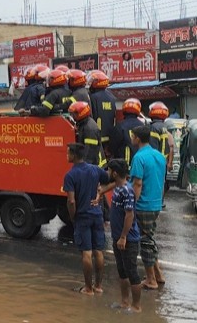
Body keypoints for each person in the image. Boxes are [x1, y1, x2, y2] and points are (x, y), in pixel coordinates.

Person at [63, 143, 110, 295]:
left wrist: (72, 217)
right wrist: (100, 194)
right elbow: (109, 179)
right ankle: (98, 286)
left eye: (68, 153)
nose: (66, 155)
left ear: (74, 156)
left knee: (86, 253)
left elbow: (71, 201)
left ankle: (88, 288)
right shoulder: (95, 169)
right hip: (97, 215)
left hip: (82, 216)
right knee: (99, 251)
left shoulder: (70, 175)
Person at [97, 159, 142, 312]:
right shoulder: (117, 187)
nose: (107, 173)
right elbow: (110, 186)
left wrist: (123, 236)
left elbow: (129, 215)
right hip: (118, 237)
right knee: (122, 271)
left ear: (115, 173)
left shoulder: (127, 191)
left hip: (128, 239)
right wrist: (101, 192)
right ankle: (124, 302)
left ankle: (136, 307)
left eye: (109, 171)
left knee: (132, 272)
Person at [129, 125, 167, 290]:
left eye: (133, 136)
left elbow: (137, 183)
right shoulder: (159, 156)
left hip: (143, 204)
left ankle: (151, 279)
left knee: (145, 242)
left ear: (137, 138)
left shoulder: (139, 158)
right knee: (149, 239)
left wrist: (131, 204)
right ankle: (158, 275)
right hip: (156, 203)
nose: (131, 138)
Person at [148, 101, 175, 208]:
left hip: (154, 160)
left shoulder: (153, 128)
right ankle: (160, 202)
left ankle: (154, 202)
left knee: (152, 182)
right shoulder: (164, 128)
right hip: (162, 161)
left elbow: (152, 146)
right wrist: (169, 162)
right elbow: (170, 147)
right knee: (161, 182)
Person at [69, 101, 105, 167]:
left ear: (81, 113)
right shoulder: (83, 123)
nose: (72, 116)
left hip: (96, 165)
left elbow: (89, 152)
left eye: (74, 114)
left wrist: (83, 168)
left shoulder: (89, 129)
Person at [110, 98, 145, 164]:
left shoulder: (120, 126)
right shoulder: (143, 125)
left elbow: (113, 145)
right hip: (140, 162)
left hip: (124, 164)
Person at [88, 70, 117, 150]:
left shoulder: (93, 97)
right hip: (110, 134)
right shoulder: (112, 97)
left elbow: (91, 115)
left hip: (97, 134)